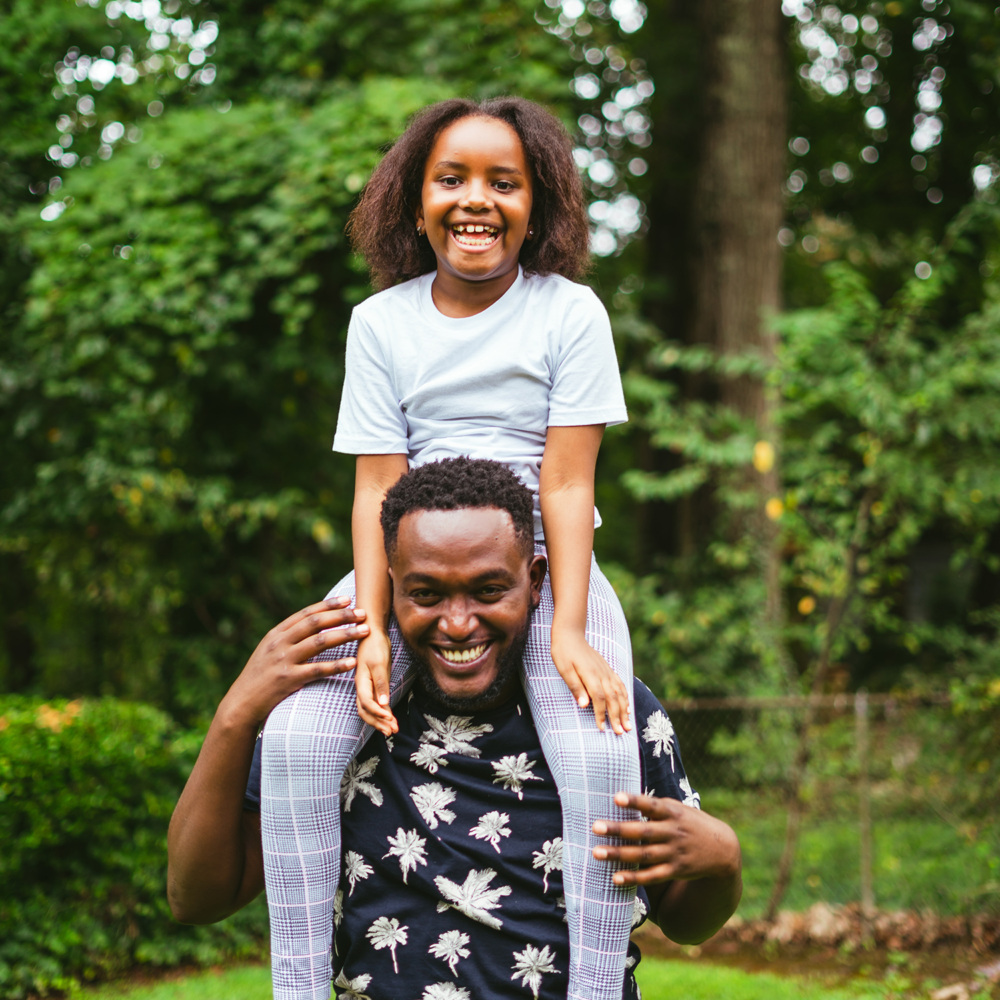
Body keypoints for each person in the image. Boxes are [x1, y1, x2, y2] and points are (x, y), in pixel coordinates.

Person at [262, 98, 641, 1000]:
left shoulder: (571, 313)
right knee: (295, 740)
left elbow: (569, 485)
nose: (478, 200)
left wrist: (568, 631)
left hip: (541, 570)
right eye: (453, 179)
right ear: (416, 200)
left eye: (503, 183)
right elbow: (376, 488)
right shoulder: (380, 322)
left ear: (537, 205)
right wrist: (370, 623)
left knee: (599, 757)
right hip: (410, 573)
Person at [167, 459, 743, 1000]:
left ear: (536, 580)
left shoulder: (606, 710)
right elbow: (197, 898)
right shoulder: (332, 722)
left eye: (489, 590)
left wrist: (722, 859)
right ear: (388, 586)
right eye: (426, 594)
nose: (459, 623)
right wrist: (236, 713)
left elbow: (685, 920)